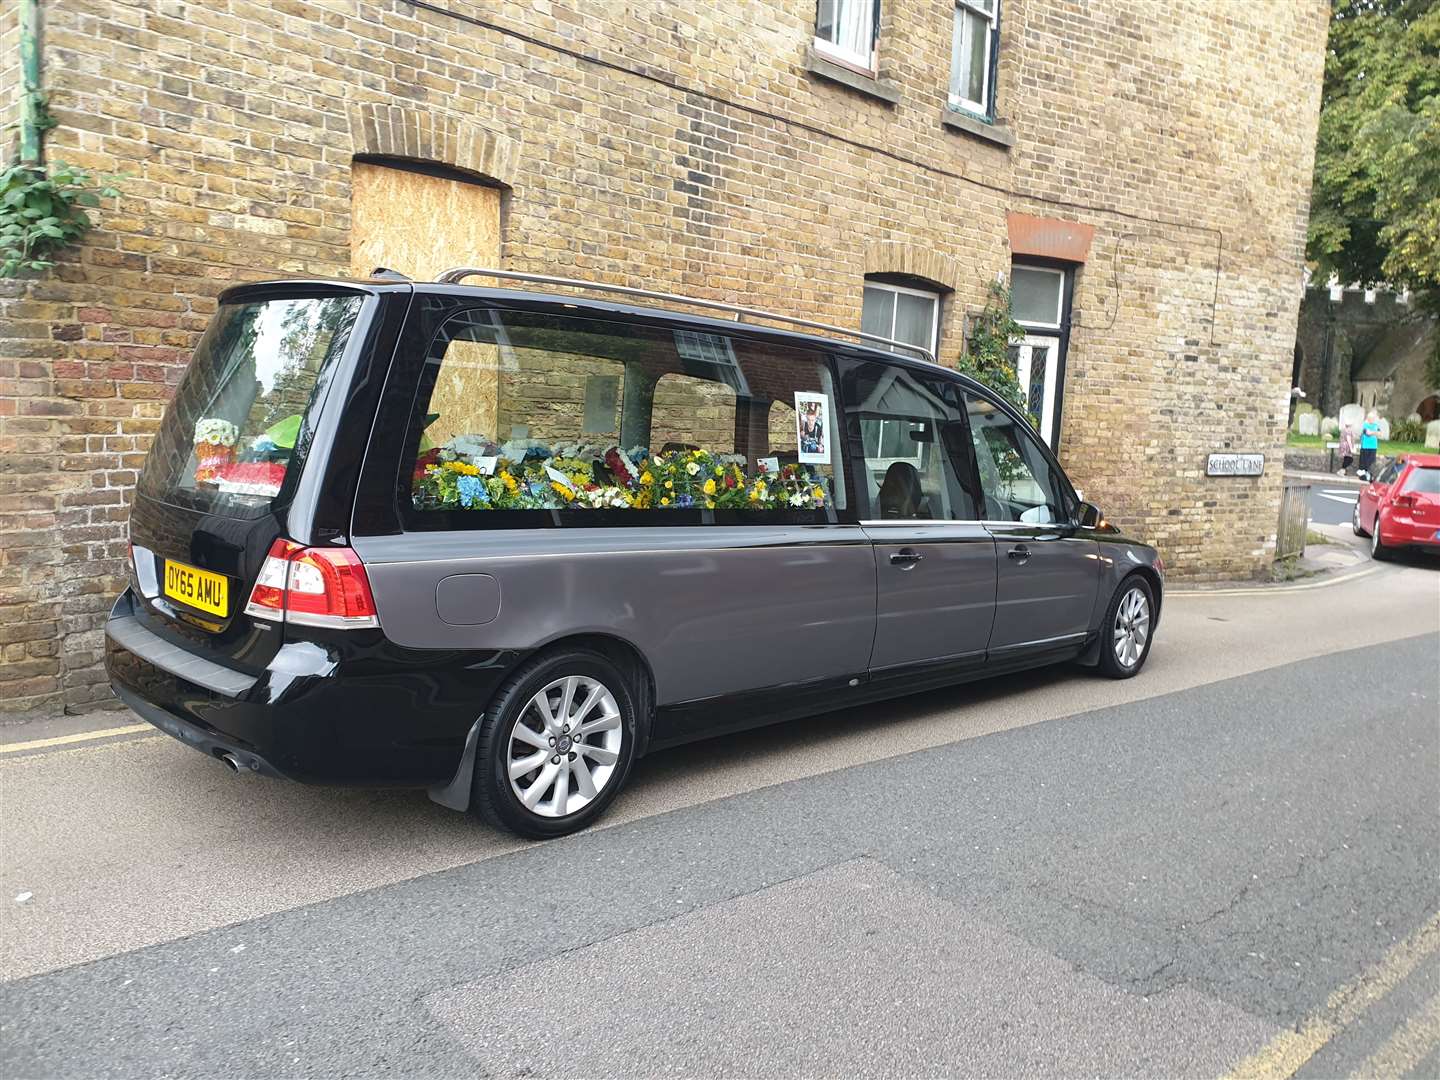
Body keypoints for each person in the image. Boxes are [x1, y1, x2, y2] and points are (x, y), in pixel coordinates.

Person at [1357, 410, 1381, 480]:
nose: (1372, 420)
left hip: (1373, 447)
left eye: (1373, 418)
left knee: (1371, 462)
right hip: (1365, 446)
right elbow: (1368, 433)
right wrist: (1375, 432)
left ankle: (1369, 476)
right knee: (1364, 462)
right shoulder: (1365, 425)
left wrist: (1373, 432)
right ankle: (1362, 476)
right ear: (1368, 418)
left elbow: (1379, 434)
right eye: (1370, 418)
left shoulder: (1376, 425)